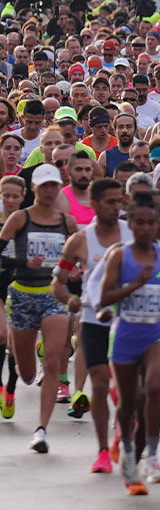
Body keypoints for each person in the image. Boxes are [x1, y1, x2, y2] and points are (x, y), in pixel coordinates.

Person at [97, 191, 160, 492]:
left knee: (155, 387)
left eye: (150, 223)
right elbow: (104, 297)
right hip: (126, 334)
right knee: (129, 403)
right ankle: (128, 449)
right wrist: (136, 284)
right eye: (138, 223)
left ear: (158, 225)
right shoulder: (120, 255)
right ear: (130, 224)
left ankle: (153, 455)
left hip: (156, 332)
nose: (144, 228)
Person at [0, 163, 78, 453]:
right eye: (43, 186)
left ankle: (41, 429)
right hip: (21, 295)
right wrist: (23, 263)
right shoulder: (20, 219)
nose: (48, 191)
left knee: (54, 361)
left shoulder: (67, 222)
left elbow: (77, 257)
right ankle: (22, 360)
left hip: (53, 294)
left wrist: (75, 271)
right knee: (28, 373)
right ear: (33, 189)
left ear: (59, 188)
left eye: (53, 185)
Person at [55, 177, 129, 473]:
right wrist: (69, 300)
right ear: (94, 204)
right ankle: (102, 451)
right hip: (92, 318)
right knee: (99, 384)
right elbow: (57, 284)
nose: (116, 207)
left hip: (126, 319)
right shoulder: (80, 240)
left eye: (119, 201)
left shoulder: (132, 233)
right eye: (110, 202)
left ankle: (123, 432)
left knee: (124, 386)